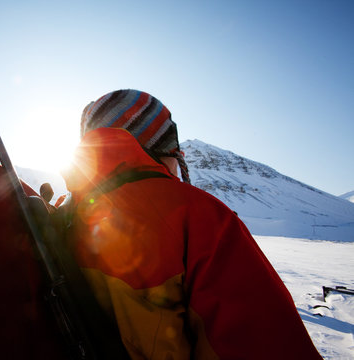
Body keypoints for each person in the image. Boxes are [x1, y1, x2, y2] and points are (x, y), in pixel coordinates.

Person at [58, 89, 322, 359]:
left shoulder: (62, 218)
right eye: (173, 144)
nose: (180, 157)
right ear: (157, 144)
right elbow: (267, 341)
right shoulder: (198, 215)